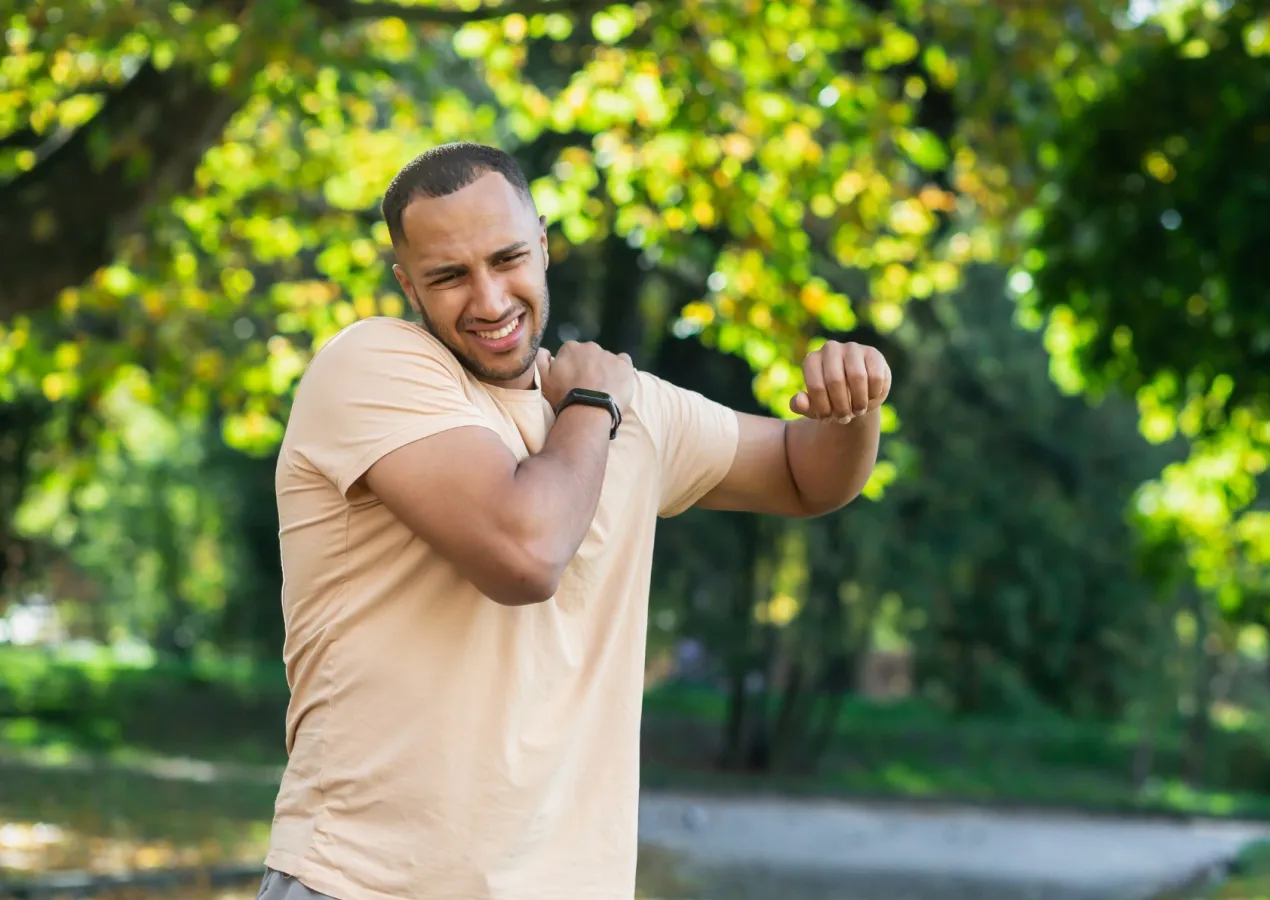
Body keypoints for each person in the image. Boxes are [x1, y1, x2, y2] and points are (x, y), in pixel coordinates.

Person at [258, 142, 891, 900]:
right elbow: (525, 553)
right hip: (363, 885)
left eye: (507, 259)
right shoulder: (374, 367)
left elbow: (801, 474)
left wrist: (853, 408)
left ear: (545, 245)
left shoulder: (633, 407)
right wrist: (592, 406)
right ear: (408, 285)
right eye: (450, 276)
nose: (490, 300)